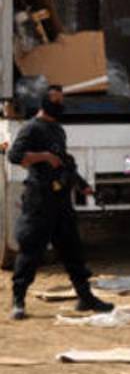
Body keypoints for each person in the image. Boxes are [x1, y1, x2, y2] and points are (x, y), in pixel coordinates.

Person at [6, 85, 113, 320]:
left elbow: (64, 162)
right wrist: (44, 156)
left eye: (61, 101)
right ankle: (18, 300)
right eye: (56, 101)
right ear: (44, 103)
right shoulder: (31, 128)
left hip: (61, 200)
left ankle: (85, 297)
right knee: (31, 250)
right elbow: (14, 156)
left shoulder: (57, 129)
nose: (60, 105)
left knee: (72, 249)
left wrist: (82, 184)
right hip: (39, 200)